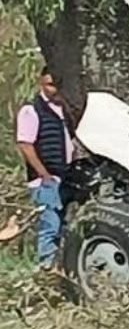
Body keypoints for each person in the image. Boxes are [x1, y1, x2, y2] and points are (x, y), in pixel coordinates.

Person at [15, 67, 74, 270]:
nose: (54, 89)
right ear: (41, 83)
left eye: (57, 85)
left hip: (65, 177)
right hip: (46, 180)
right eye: (50, 85)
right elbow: (25, 145)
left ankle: (60, 267)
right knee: (50, 225)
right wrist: (45, 175)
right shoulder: (31, 110)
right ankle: (46, 268)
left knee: (63, 226)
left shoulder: (65, 110)